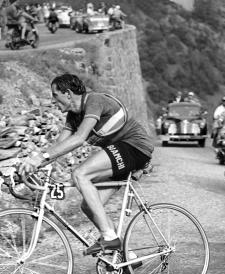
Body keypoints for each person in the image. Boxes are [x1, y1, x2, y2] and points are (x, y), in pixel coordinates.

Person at [19, 74, 154, 255]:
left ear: (67, 94)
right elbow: (58, 147)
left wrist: (39, 158)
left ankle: (109, 238)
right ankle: (126, 258)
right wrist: (32, 165)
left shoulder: (94, 101)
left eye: (55, 95)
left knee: (80, 174)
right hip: (120, 153)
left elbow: (79, 138)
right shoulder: (73, 117)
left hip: (135, 146)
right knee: (88, 206)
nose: (53, 100)